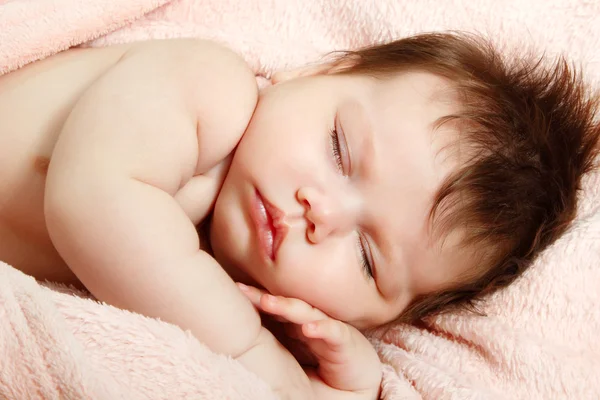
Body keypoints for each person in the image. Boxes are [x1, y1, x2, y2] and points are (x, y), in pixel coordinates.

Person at [0, 32, 597, 399]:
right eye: (339, 149)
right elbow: (90, 201)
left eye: (366, 258)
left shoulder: (228, 286)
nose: (323, 213)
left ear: (381, 319)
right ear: (316, 71)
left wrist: (350, 385)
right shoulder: (210, 89)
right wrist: (256, 362)